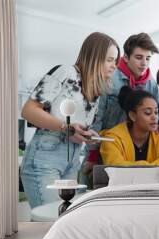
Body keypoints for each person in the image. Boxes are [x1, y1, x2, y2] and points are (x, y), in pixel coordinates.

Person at [20, 32, 119, 208]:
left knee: (67, 223)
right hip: (44, 161)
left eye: (115, 61)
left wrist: (85, 134)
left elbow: (73, 128)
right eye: (109, 60)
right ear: (95, 57)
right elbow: (29, 110)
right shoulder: (66, 72)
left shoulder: (93, 91)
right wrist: (66, 128)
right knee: (51, 222)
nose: (114, 66)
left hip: (72, 162)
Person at [83, 33, 159, 176]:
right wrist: (92, 156)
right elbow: (96, 118)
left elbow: (155, 118)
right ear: (126, 57)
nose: (144, 63)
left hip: (135, 153)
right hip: (105, 149)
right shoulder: (108, 78)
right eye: (139, 57)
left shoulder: (152, 85)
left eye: (148, 58)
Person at [100, 86, 159, 165]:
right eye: (148, 113)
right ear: (132, 116)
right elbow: (116, 167)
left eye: (156, 112)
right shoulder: (112, 138)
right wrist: (151, 167)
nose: (154, 117)